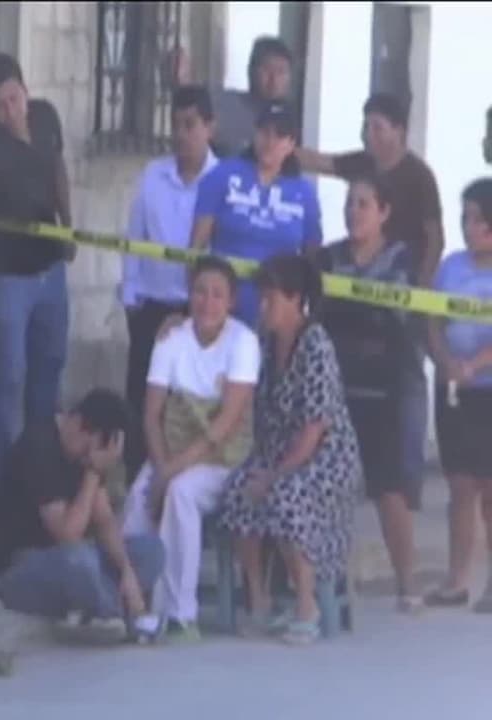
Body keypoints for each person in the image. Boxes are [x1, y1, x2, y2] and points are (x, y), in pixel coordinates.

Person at [297, 92, 442, 527]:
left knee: (408, 384)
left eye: (378, 127)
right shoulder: (361, 165)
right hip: (355, 291)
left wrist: (418, 292)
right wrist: (279, 150)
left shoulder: (419, 176)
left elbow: (434, 237)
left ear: (399, 130)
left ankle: (407, 480)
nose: (369, 135)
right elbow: (322, 162)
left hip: (401, 292)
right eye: (366, 126)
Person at [219, 254, 362, 645]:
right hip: (276, 452)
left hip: (324, 458)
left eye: (271, 297)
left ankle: (306, 604)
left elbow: (314, 429)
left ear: (295, 298)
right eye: (261, 296)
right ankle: (259, 599)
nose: (262, 305)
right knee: (237, 491)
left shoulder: (315, 344)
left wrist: (275, 475)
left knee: (285, 494)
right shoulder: (264, 344)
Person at [0, 54, 75, 493]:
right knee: (8, 380)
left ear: (25, 90)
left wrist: (68, 226)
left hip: (51, 272)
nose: (10, 111)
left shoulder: (45, 117)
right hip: (10, 278)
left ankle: (41, 482)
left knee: (49, 373)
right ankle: (3, 489)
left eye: (14, 99)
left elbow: (58, 169)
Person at [121, 256, 260, 642]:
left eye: (217, 294)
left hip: (224, 459)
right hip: (171, 450)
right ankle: (128, 602)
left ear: (231, 301)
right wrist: (160, 466)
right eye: (200, 292)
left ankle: (179, 613)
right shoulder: (172, 339)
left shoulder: (243, 342)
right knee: (137, 500)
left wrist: (169, 473)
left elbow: (224, 426)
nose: (207, 302)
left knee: (181, 493)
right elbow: (152, 415)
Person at [0, 389, 163, 643]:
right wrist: (92, 472)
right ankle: (115, 614)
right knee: (79, 559)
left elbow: (104, 522)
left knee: (151, 550)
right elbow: (67, 535)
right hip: (18, 566)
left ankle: (100, 608)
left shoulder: (87, 457)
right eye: (88, 449)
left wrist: (127, 572)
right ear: (77, 424)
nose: (87, 457)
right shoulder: (39, 447)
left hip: (68, 562)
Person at [317, 176, 421, 613]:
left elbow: (394, 317)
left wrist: (353, 308)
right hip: (333, 391)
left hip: (383, 390)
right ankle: (328, 585)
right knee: (327, 490)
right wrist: (361, 310)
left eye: (363, 203)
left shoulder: (400, 258)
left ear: (384, 212)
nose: (353, 211)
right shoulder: (328, 257)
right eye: (349, 203)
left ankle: (408, 586)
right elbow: (321, 313)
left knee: (389, 490)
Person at [121, 86, 220, 483]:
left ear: (210, 128)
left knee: (190, 403)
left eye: (190, 125)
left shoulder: (222, 180)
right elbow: (134, 235)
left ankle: (182, 483)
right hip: (151, 305)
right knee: (143, 399)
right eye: (175, 125)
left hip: (199, 312)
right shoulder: (153, 175)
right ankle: (138, 483)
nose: (181, 134)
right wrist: (130, 295)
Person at [190, 101, 322, 328]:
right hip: (222, 314)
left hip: (277, 319)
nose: (270, 141)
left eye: (280, 135)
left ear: (291, 144)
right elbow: (195, 247)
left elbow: (312, 260)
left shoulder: (305, 193)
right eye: (265, 132)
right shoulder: (221, 175)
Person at [424, 177, 492, 613]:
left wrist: (475, 365)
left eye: (477, 219)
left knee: (490, 489)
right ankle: (456, 580)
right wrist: (446, 360)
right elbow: (433, 320)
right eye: (465, 218)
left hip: (487, 391)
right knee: (460, 485)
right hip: (452, 389)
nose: (469, 227)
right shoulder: (450, 267)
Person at [169, 36, 294, 157]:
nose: (274, 79)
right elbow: (188, 95)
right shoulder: (224, 103)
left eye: (281, 71)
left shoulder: (293, 118)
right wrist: (181, 74)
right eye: (267, 69)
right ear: (251, 70)